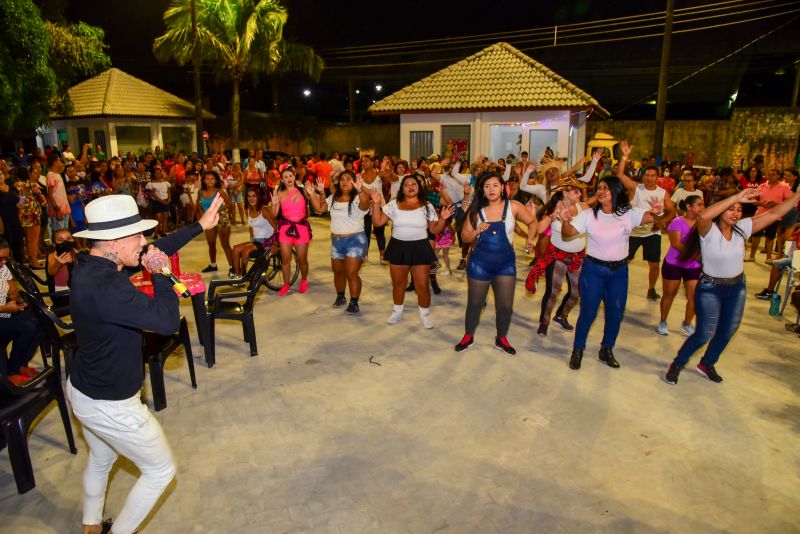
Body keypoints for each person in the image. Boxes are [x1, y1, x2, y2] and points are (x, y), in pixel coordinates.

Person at [68, 192, 222, 534]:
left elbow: (157, 246)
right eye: (137, 235)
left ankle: (90, 526)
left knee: (101, 457)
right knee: (160, 471)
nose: (144, 241)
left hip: (84, 389)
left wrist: (199, 225)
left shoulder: (92, 264)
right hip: (111, 403)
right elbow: (167, 322)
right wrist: (161, 273)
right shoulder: (107, 287)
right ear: (113, 241)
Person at [665, 187, 800, 384]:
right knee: (704, 333)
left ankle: (707, 363)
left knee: (729, 329)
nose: (736, 213)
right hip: (710, 288)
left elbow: (775, 213)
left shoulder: (741, 229)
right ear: (721, 210)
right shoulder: (708, 230)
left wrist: (797, 195)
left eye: (739, 209)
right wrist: (738, 196)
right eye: (731, 209)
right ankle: (677, 363)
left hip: (737, 288)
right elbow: (703, 216)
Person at [559, 175, 667, 370]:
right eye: (599, 187)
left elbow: (653, 218)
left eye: (606, 188)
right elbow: (567, 234)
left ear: (616, 191)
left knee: (615, 313)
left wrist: (658, 213)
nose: (600, 191)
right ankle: (578, 350)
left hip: (619, 272)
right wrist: (566, 221)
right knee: (588, 313)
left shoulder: (629, 214)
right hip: (593, 271)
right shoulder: (589, 215)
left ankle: (606, 349)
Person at [455, 172, 536, 354]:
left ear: (502, 188)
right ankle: (468, 336)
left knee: (505, 306)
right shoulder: (476, 211)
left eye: (495, 185)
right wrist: (476, 230)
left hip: (505, 265)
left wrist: (530, 239)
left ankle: (501, 338)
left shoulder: (513, 207)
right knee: (475, 303)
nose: (491, 189)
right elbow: (464, 237)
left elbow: (532, 222)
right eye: (487, 186)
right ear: (482, 190)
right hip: (479, 264)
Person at [370, 174, 454, 328]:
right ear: (402, 188)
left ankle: (425, 314)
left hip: (420, 247)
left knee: (422, 285)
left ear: (419, 187)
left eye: (413, 183)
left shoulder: (427, 206)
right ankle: (397, 311)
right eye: (406, 184)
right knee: (398, 283)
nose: (410, 186)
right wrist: (376, 204)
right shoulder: (394, 204)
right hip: (398, 247)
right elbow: (378, 222)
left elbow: (434, 229)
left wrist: (443, 219)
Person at [525, 176, 589, 336]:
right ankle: (544, 322)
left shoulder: (584, 207)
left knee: (576, 293)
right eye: (576, 192)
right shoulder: (553, 209)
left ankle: (561, 315)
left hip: (577, 257)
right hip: (557, 257)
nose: (579, 195)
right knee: (553, 292)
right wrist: (552, 215)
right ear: (565, 192)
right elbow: (539, 230)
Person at [618, 141, 676, 301]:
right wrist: (624, 156)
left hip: (652, 232)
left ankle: (651, 289)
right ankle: (618, 285)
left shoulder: (663, 193)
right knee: (624, 261)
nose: (649, 178)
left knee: (654, 264)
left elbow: (672, 211)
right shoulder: (637, 188)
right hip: (634, 231)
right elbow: (620, 176)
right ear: (643, 176)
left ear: (658, 177)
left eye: (653, 175)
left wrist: (663, 222)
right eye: (647, 175)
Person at [305, 171, 370, 313]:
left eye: (348, 179)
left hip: (355, 240)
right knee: (338, 272)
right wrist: (312, 194)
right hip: (336, 241)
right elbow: (320, 208)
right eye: (342, 179)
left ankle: (354, 302)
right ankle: (341, 296)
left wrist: (360, 190)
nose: (345, 182)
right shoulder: (334, 197)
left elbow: (365, 205)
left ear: (355, 182)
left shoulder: (359, 197)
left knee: (351, 273)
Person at [657, 195, 705, 336]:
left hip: (693, 266)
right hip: (674, 264)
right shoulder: (677, 222)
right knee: (669, 294)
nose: (702, 207)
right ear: (689, 207)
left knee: (694, 296)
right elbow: (676, 244)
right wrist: (696, 256)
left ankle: (687, 323)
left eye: (703, 205)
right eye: (699, 204)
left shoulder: (703, 223)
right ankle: (663, 321)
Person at [0, 238, 42, 385]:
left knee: (40, 319)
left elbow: (12, 292)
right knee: (27, 326)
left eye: (6, 258)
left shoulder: (3, 268)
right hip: (3, 312)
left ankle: (20, 364)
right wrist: (5, 308)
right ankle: (12, 370)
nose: (4, 262)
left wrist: (21, 301)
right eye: (1, 258)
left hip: (4, 313)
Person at [271, 167, 311, 295]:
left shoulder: (302, 191)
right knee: (285, 260)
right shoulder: (280, 194)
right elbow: (275, 214)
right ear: (282, 180)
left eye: (290, 176)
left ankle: (304, 280)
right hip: (285, 229)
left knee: (302, 259)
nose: (288, 179)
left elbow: (310, 210)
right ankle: (286, 284)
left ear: (294, 177)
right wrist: (274, 204)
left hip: (301, 228)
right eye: (285, 177)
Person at [746, 168, 793, 264]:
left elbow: (790, 201)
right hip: (760, 215)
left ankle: (768, 257)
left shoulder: (784, 187)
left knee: (770, 237)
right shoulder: (762, 186)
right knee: (756, 236)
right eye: (769, 174)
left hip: (775, 216)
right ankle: (751, 256)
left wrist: (776, 204)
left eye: (773, 175)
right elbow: (752, 199)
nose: (770, 176)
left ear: (778, 176)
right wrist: (761, 203)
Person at [230, 188, 277, 276]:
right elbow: (251, 226)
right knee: (235, 249)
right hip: (256, 240)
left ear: (258, 197)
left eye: (254, 196)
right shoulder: (249, 210)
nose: (251, 199)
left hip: (267, 241)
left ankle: (243, 275)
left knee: (246, 250)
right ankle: (237, 275)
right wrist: (251, 239)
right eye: (249, 196)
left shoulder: (264, 210)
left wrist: (275, 244)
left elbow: (276, 228)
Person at [197, 170, 233, 274]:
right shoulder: (201, 192)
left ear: (216, 180)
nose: (210, 180)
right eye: (207, 178)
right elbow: (198, 204)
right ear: (204, 180)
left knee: (225, 244)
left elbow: (229, 203)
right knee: (211, 243)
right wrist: (202, 214)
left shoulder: (220, 191)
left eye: (212, 178)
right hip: (208, 220)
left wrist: (217, 210)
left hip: (222, 219)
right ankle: (213, 265)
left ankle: (232, 267)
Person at [14, 167, 47, 268]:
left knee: (29, 240)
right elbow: (27, 198)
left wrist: (19, 206)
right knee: (33, 240)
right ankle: (34, 262)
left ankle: (31, 260)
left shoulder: (16, 185)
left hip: (23, 216)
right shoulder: (28, 185)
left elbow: (22, 200)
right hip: (32, 216)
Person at [146, 167, 171, 239]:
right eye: (157, 173)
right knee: (158, 217)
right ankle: (156, 233)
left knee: (165, 216)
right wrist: (162, 201)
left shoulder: (165, 182)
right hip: (157, 202)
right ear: (154, 174)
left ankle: (164, 232)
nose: (159, 174)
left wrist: (169, 199)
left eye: (159, 173)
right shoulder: (151, 183)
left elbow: (168, 191)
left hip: (165, 201)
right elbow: (153, 194)